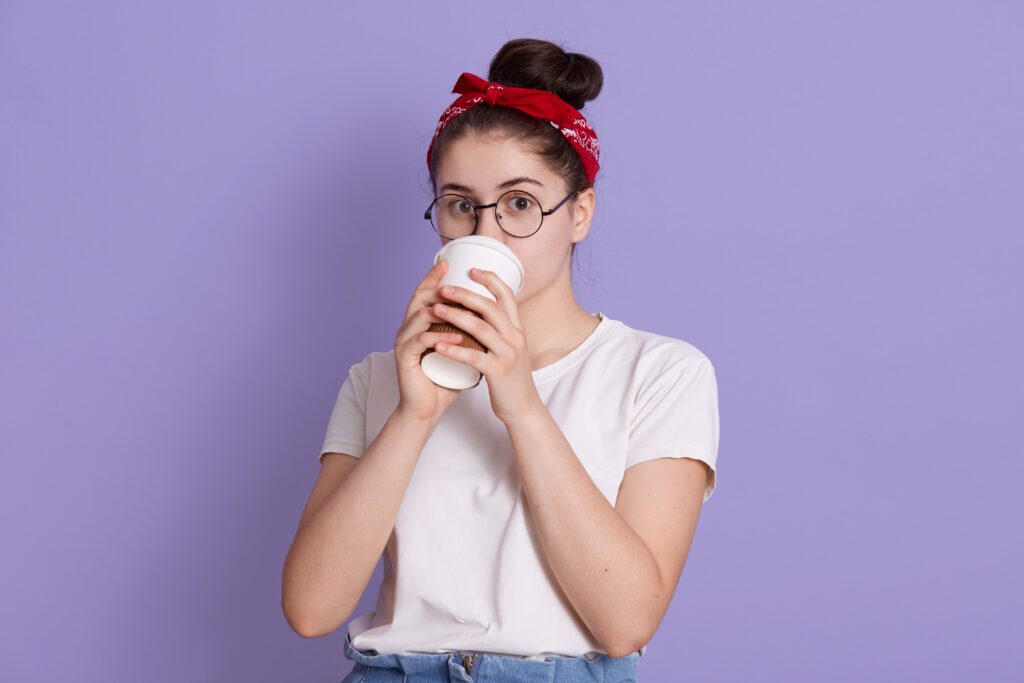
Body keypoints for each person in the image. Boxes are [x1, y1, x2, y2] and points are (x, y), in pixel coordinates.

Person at [281, 38, 720, 683]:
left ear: (579, 214)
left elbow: (627, 622)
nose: (485, 234)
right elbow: (310, 610)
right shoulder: (378, 380)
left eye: (519, 203)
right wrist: (414, 414)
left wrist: (521, 405)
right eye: (461, 205)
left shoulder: (660, 374)